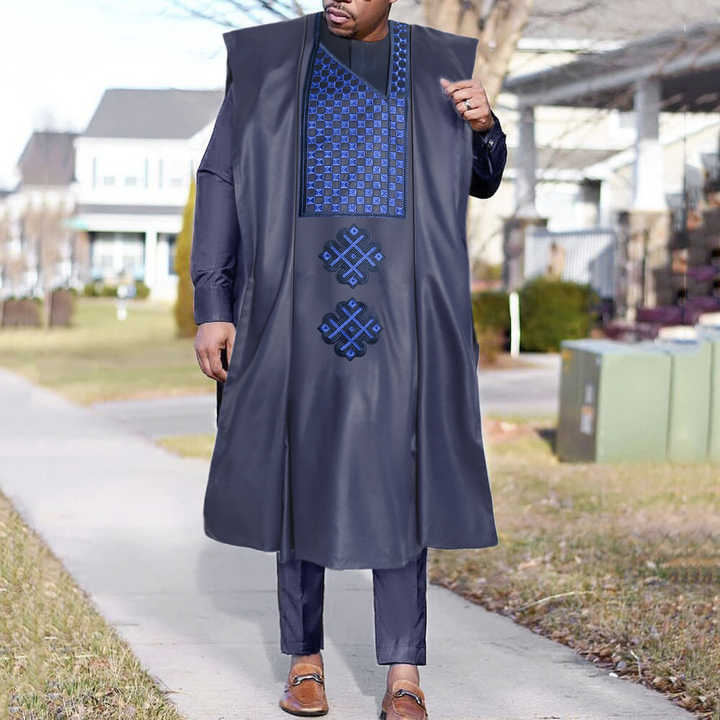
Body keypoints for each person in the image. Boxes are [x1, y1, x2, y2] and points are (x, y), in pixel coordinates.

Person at [190, 0, 507, 716]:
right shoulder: (270, 61)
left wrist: (485, 129)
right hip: (290, 305)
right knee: (298, 470)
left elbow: (479, 179)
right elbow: (221, 177)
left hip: (403, 311)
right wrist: (213, 302)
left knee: (402, 472)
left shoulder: (436, 65)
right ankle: (304, 661)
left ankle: (404, 672)